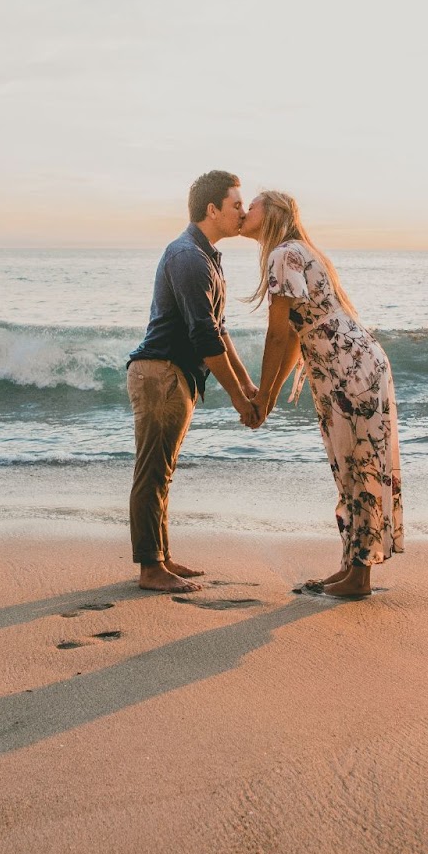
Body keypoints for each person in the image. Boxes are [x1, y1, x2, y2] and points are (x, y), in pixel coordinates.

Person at [243, 190, 403, 598]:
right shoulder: (295, 251)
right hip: (348, 366)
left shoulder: (285, 253)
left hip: (348, 369)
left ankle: (360, 576)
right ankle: (352, 565)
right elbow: (297, 336)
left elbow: (278, 334)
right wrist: (272, 394)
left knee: (359, 465)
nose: (246, 210)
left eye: (253, 204)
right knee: (349, 465)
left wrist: (261, 397)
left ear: (273, 214)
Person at [126, 171, 260, 593]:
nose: (243, 211)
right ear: (212, 209)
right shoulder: (187, 257)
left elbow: (219, 330)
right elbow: (204, 337)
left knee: (163, 471)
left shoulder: (205, 256)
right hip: (159, 373)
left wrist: (247, 385)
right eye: (237, 204)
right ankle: (150, 569)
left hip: (174, 375)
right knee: (153, 471)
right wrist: (239, 398)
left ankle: (160, 558)